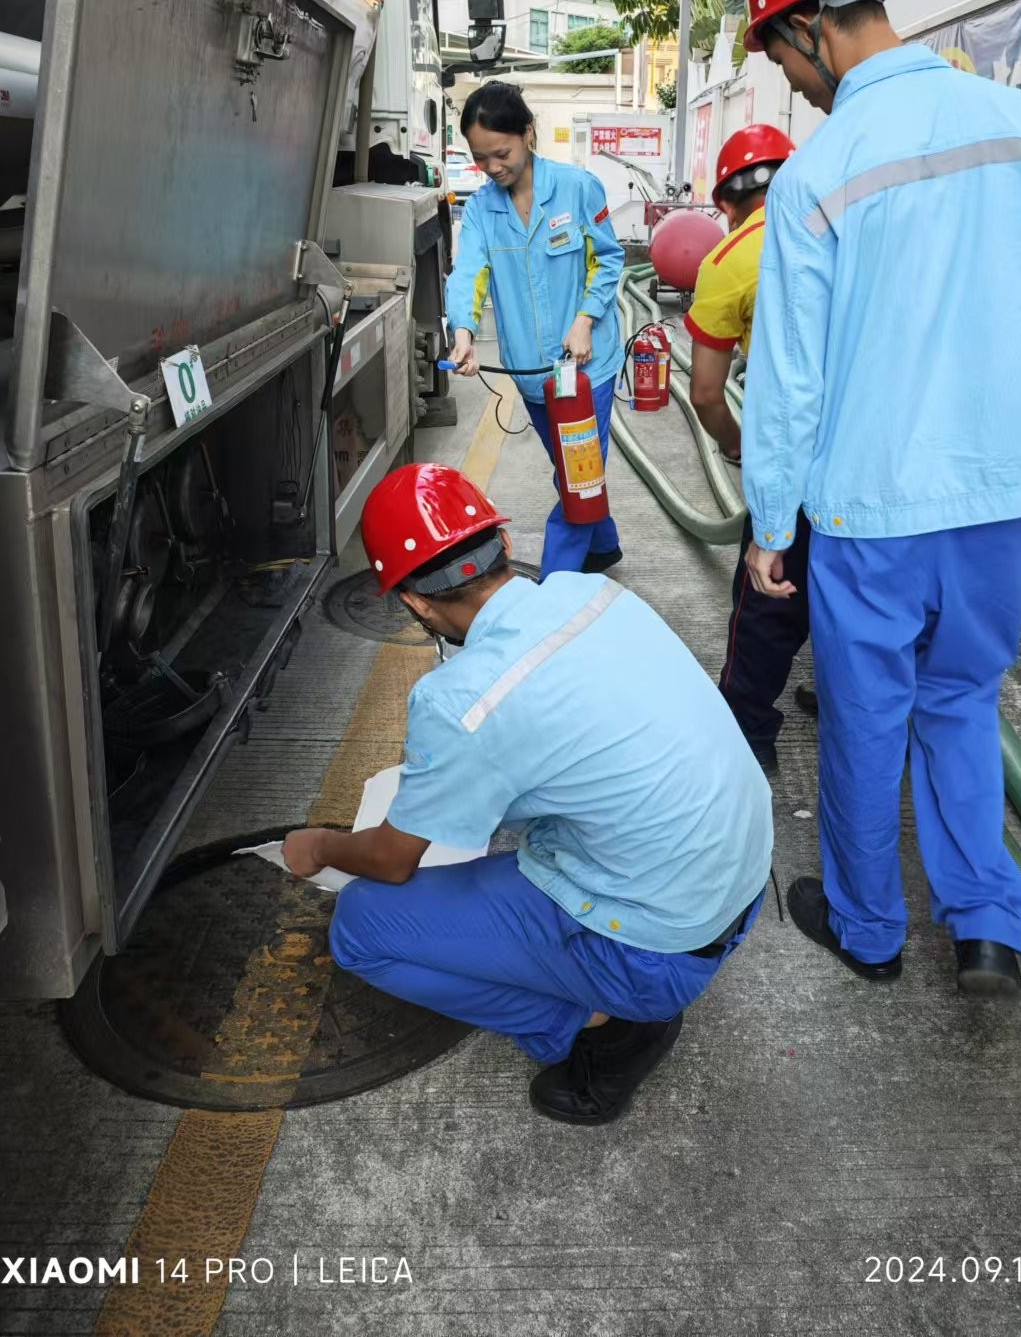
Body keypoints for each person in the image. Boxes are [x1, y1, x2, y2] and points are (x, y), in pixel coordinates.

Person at [739, 0, 1021, 998]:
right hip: (999, 502)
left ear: (811, 24)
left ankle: (867, 927)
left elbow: (789, 381)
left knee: (866, 716)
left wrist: (770, 525)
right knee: (961, 700)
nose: (789, 82)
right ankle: (987, 920)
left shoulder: (817, 173)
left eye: (777, 52)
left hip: (872, 507)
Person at [282, 463, 773, 1124]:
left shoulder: (460, 700)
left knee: (364, 928)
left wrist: (320, 844)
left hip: (656, 950)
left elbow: (395, 859)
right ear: (504, 546)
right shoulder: (590, 594)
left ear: (416, 602)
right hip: (735, 884)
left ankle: (594, 1023)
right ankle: (612, 991)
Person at [446, 82, 625, 577]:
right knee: (574, 467)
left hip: (587, 371)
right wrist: (462, 331)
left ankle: (555, 584)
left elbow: (609, 260)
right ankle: (603, 544)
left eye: (500, 153)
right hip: (532, 376)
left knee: (577, 477)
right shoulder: (482, 209)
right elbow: (469, 273)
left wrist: (586, 318)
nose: (492, 167)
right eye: (481, 159)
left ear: (527, 133)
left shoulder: (577, 187)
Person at [685, 124, 818, 779]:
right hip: (874, 456)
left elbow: (706, 394)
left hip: (789, 464)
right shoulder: (842, 229)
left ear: (727, 200)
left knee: (767, 600)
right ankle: (847, 700)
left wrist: (737, 449)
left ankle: (746, 732)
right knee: (855, 595)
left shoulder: (728, 258)